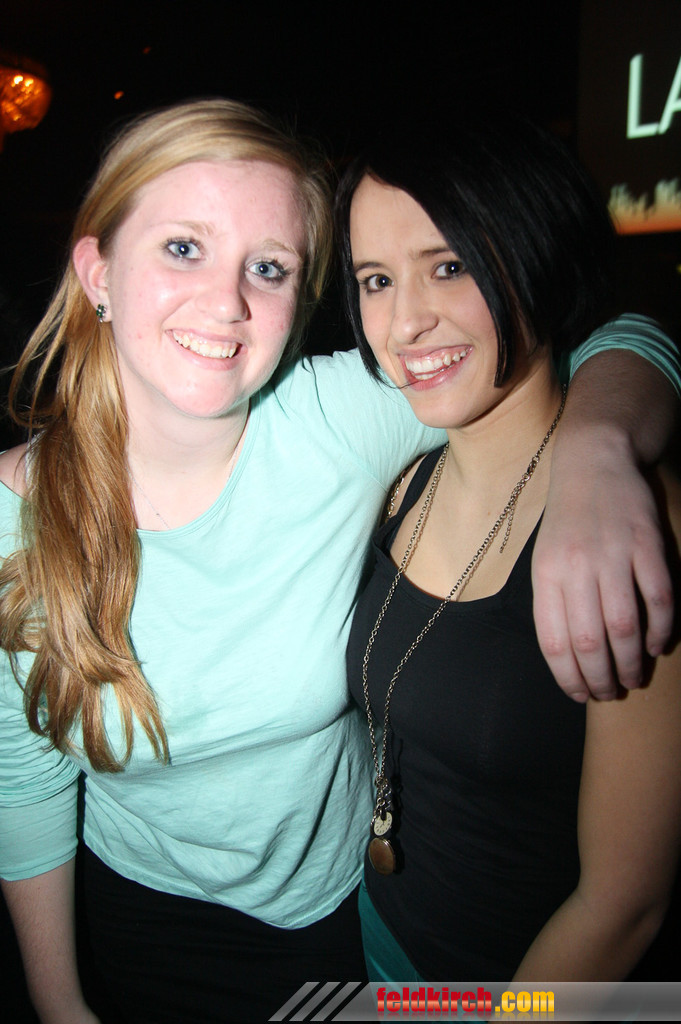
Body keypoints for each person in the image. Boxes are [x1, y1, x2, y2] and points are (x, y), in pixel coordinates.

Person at [0, 99, 678, 1024]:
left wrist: (600, 453)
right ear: (97, 272)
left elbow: (590, 328)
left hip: (335, 919)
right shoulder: (15, 521)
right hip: (137, 917)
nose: (227, 303)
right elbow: (26, 780)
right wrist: (58, 1001)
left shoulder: (336, 419)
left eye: (269, 267)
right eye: (183, 248)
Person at [338, 109, 681, 983]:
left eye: (448, 267)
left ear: (535, 250)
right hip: (367, 930)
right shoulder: (401, 482)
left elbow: (622, 907)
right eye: (375, 280)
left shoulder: (636, 519)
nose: (403, 323)